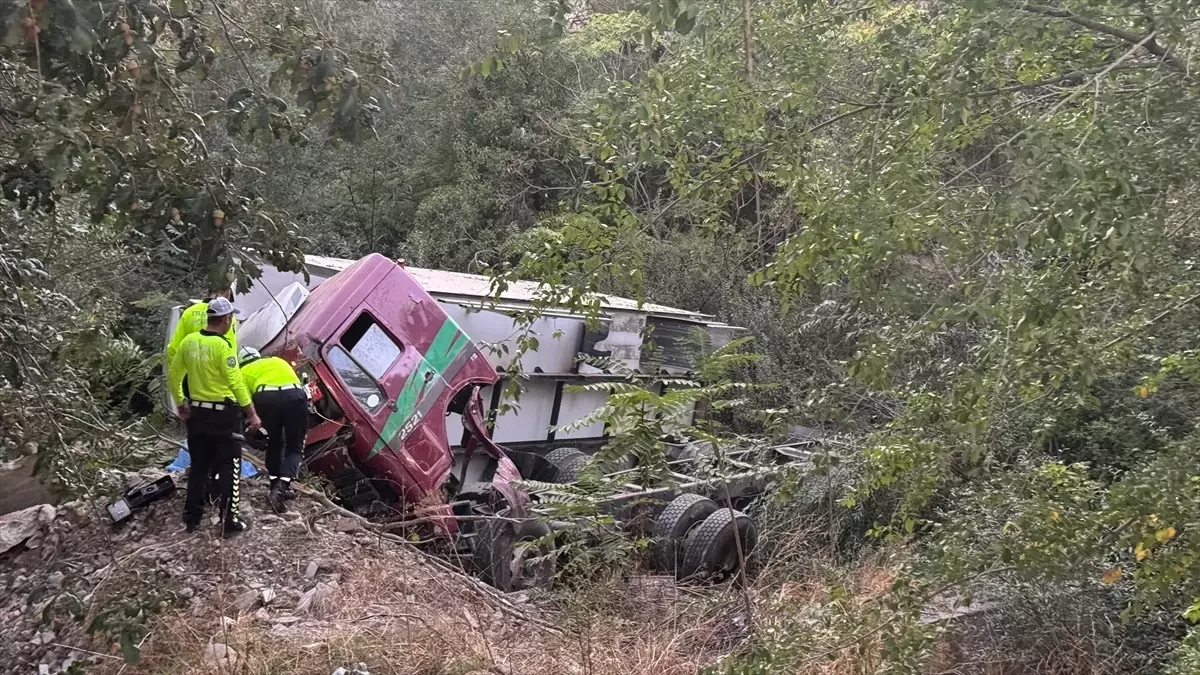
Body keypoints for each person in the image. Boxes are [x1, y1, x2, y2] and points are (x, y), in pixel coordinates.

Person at [168, 298, 261, 536]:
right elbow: (236, 382)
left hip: (197, 415)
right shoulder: (223, 348)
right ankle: (229, 521)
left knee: (199, 466)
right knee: (231, 464)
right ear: (227, 320)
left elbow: (174, 374)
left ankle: (192, 519)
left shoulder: (188, 342)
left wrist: (181, 402)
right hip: (223, 416)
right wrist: (251, 414)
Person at [238, 347, 309, 513]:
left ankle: (275, 486)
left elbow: (244, 404)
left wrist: (249, 429)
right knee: (295, 447)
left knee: (273, 443)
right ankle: (281, 488)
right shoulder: (277, 361)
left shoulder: (241, 372)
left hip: (265, 397)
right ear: (258, 356)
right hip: (294, 395)